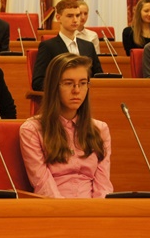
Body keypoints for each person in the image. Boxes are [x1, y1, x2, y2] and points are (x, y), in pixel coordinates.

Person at [20, 53, 113, 198]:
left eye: (83, 83)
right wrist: (68, 210)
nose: (77, 90)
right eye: (69, 83)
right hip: (55, 207)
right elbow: (42, 184)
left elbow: (103, 184)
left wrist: (98, 209)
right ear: (54, 87)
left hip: (94, 208)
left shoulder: (100, 129)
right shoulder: (32, 130)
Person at [32, 0, 103, 91]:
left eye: (77, 15)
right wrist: (65, 88)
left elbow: (98, 77)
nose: (75, 20)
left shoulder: (88, 46)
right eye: (70, 16)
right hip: (60, 96)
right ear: (58, 18)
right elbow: (38, 82)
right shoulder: (48, 47)